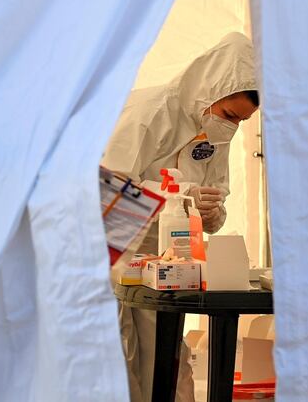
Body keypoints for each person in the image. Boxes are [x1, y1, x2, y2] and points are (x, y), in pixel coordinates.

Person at [102, 32, 259, 402]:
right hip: (111, 253)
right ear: (209, 89)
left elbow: (214, 208)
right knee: (118, 358)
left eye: (241, 120)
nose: (232, 127)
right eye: (229, 115)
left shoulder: (216, 132)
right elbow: (105, 192)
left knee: (168, 363)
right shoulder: (149, 112)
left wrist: (210, 211)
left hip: (165, 262)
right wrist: (178, 196)